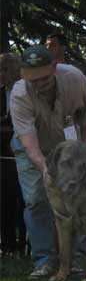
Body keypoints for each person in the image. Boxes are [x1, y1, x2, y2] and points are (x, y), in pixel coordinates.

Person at [10, 46, 86, 277]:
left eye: (44, 78)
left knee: (75, 199)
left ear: (54, 67)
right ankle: (44, 261)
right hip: (33, 149)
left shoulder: (76, 79)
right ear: (23, 75)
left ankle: (75, 260)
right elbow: (30, 145)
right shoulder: (19, 95)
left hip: (69, 148)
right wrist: (47, 170)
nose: (39, 84)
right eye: (32, 80)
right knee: (36, 200)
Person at [0, 53, 26, 256]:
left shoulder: (27, 92)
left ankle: (27, 246)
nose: (2, 73)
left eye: (5, 69)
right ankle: (7, 244)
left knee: (25, 199)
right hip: (3, 156)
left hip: (24, 153)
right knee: (5, 199)